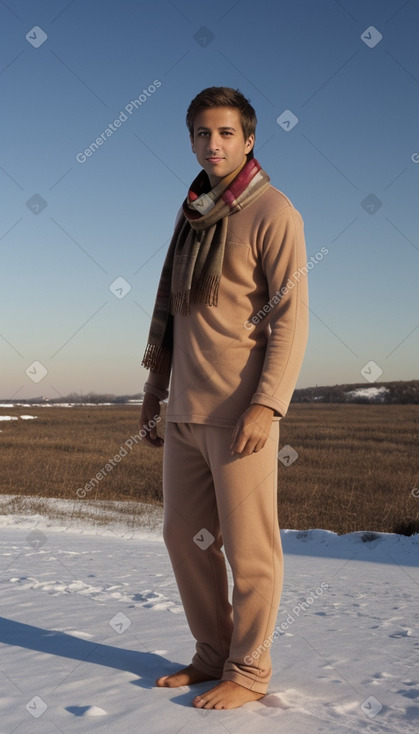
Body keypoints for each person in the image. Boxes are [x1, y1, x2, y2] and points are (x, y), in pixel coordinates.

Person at [139, 86, 308, 710]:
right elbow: (175, 318)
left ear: (250, 138)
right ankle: (212, 653)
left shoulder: (274, 213)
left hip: (241, 414)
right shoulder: (191, 215)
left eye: (226, 133)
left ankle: (250, 670)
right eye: (202, 134)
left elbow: (290, 319)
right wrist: (155, 389)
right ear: (191, 141)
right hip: (184, 409)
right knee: (186, 539)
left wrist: (267, 405)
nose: (214, 144)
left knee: (250, 549)